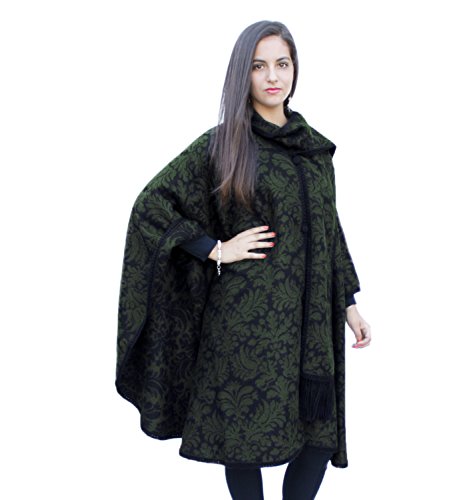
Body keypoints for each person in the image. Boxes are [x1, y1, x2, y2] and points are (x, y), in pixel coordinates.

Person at [116, 20, 371, 500]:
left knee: (317, 440)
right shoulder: (225, 143)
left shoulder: (315, 150)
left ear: (295, 69)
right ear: (243, 74)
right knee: (245, 443)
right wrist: (216, 248)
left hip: (310, 324)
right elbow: (151, 205)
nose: (273, 76)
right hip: (247, 324)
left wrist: (349, 304)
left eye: (282, 63)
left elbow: (327, 228)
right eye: (259, 66)